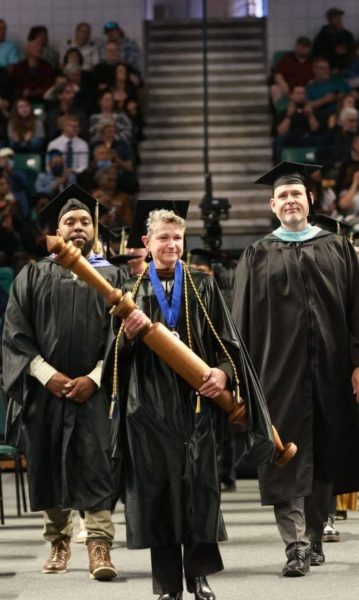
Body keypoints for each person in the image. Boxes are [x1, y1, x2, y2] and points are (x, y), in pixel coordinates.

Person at [107, 199, 274, 599]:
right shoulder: (130, 293)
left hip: (195, 405)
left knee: (200, 490)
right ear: (146, 242)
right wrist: (127, 336)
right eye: (164, 238)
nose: (172, 245)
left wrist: (224, 374)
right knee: (158, 494)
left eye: (178, 238)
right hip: (147, 408)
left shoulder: (203, 286)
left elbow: (229, 345)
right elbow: (110, 356)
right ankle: (166, 586)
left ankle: (198, 575)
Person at [231, 161, 359, 578]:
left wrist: (358, 362)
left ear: (309, 201)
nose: (289, 201)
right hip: (277, 372)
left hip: (332, 368)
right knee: (284, 452)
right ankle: (296, 545)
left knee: (323, 450)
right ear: (273, 205)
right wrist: (241, 378)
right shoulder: (256, 253)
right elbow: (240, 321)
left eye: (296, 194)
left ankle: (316, 536)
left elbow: (357, 310)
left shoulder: (337, 247)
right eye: (282, 196)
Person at [2, 184, 120, 580]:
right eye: (69, 221)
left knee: (97, 462)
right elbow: (16, 334)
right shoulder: (32, 275)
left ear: (95, 229)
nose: (78, 227)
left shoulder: (113, 277)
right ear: (56, 230)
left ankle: (99, 543)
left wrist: (95, 377)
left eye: (85, 221)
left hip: (95, 390)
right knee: (49, 460)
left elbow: (119, 337)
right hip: (45, 390)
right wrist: (47, 375)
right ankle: (58, 539)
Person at [312, 7, 355, 72]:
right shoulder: (321, 38)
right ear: (329, 20)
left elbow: (352, 53)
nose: (340, 20)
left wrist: (342, 67)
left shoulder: (347, 35)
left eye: (340, 18)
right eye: (336, 18)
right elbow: (316, 55)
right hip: (328, 71)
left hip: (346, 71)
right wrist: (333, 52)